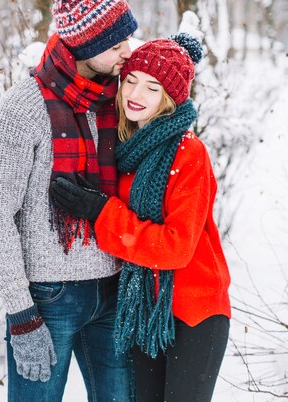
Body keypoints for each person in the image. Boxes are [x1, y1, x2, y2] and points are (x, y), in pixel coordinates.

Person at [0, 0, 138, 402]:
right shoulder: (21, 110)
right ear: (84, 44)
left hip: (114, 286)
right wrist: (22, 314)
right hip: (49, 299)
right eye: (117, 41)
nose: (129, 50)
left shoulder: (114, 101)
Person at [50, 32, 231, 402]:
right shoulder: (120, 145)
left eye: (152, 88)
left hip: (195, 311)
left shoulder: (188, 153)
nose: (135, 94)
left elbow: (176, 247)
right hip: (140, 307)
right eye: (130, 80)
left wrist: (101, 211)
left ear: (169, 99)